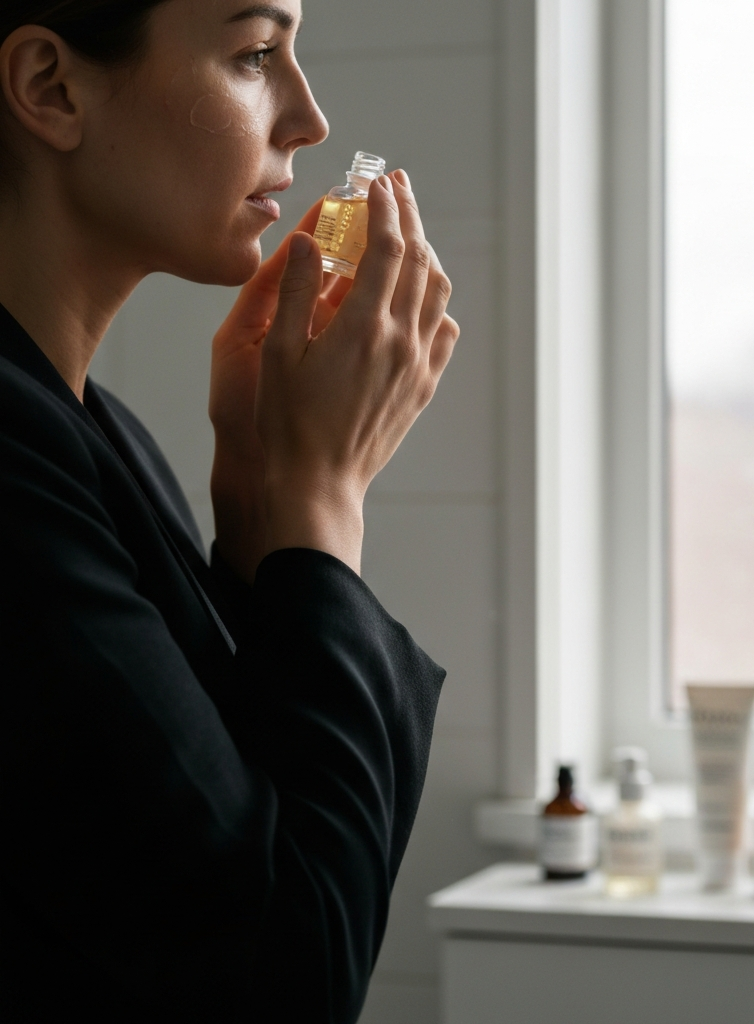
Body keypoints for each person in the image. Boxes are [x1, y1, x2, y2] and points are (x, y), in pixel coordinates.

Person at [0, 1, 459, 1020]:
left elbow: (212, 832)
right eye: (255, 54)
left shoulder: (90, 427)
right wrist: (322, 503)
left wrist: (261, 536)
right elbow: (284, 979)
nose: (310, 117)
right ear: (50, 87)